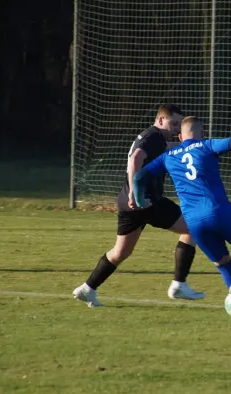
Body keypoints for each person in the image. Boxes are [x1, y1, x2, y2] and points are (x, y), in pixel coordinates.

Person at [133, 115, 231, 318]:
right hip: (218, 212)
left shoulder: (169, 155)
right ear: (202, 133)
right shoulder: (206, 145)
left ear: (180, 136)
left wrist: (139, 201)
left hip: (193, 222)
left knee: (223, 263)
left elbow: (139, 177)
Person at [72, 104, 205, 306]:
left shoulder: (153, 138)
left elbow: (169, 151)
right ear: (160, 120)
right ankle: (179, 284)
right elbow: (136, 159)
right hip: (146, 202)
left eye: (180, 124)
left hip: (128, 204)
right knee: (194, 227)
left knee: (120, 252)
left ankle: (87, 288)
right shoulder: (155, 136)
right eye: (174, 123)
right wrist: (136, 192)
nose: (177, 128)